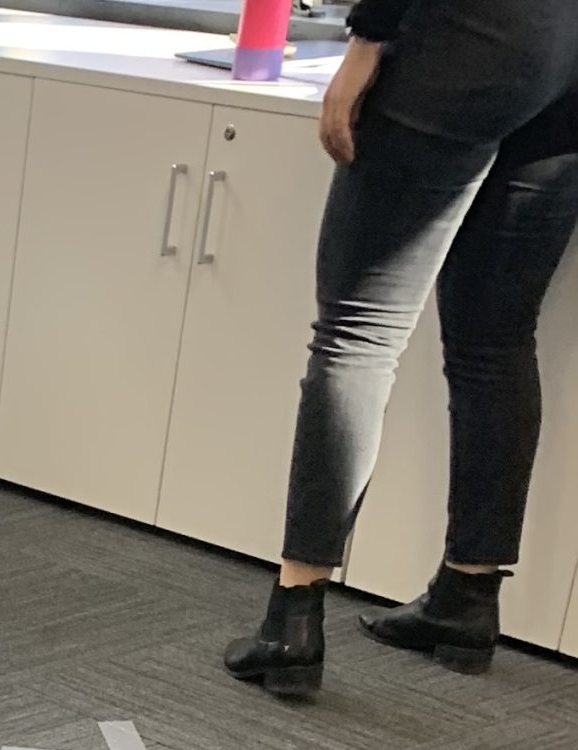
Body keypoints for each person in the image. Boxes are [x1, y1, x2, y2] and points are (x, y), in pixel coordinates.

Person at [228, 0, 578, 697]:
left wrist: (367, 41)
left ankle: (294, 616)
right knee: (496, 339)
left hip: (465, 44)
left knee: (357, 336)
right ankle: (467, 598)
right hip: (567, 62)